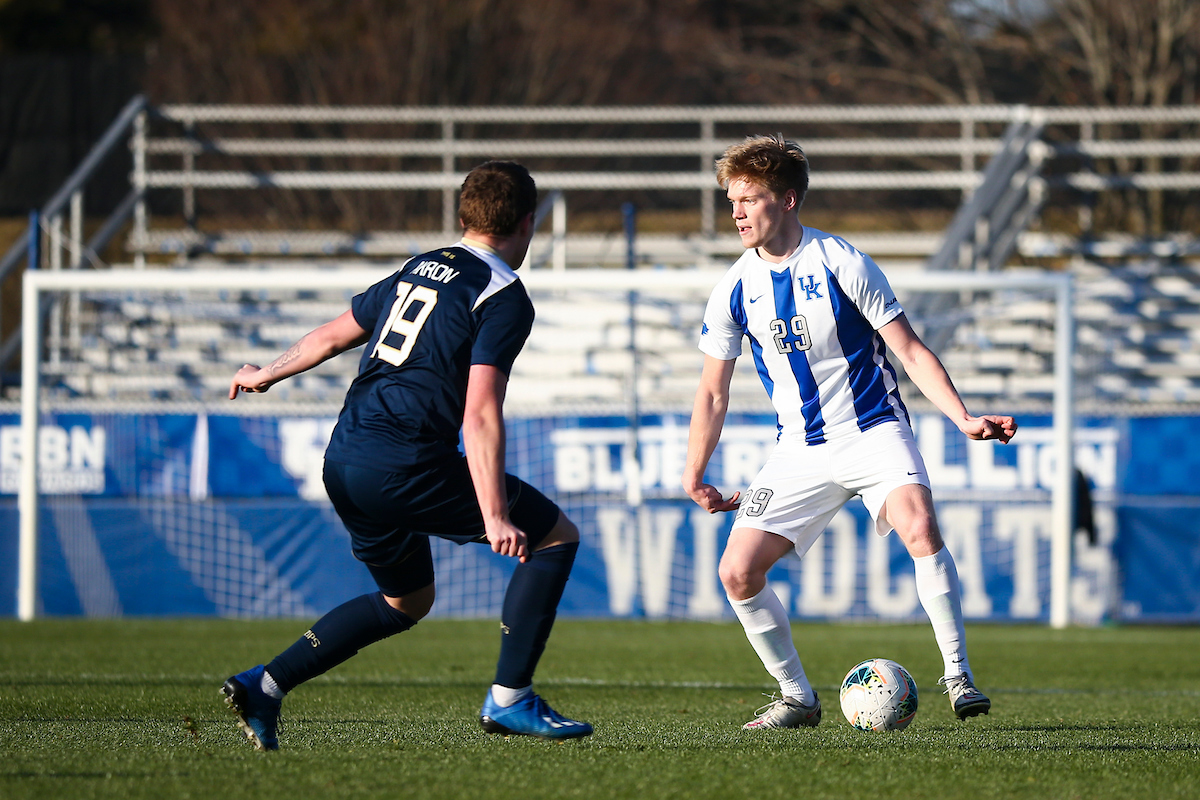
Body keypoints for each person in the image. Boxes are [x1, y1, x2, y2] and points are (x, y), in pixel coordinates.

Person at [221, 160, 592, 749]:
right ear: (528, 222)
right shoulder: (502, 295)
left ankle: (265, 686)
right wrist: (495, 515)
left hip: (345, 458)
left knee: (406, 601)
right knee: (555, 537)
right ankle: (510, 698)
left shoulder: (416, 269)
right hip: (406, 461)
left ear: (463, 215)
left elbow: (330, 335)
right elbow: (481, 412)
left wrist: (266, 373)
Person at [682, 135, 1017, 730]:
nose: (735, 212)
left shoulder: (841, 260)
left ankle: (958, 675)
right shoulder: (732, 288)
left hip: (873, 431)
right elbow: (712, 390)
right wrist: (694, 473)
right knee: (737, 571)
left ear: (786, 201)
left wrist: (963, 418)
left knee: (919, 525)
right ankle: (797, 698)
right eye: (731, 200)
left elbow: (909, 350)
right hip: (799, 451)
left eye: (748, 199)